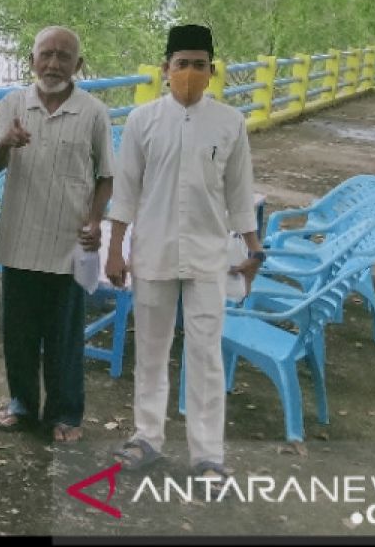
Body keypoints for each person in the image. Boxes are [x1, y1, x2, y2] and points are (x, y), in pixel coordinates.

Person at [106, 24, 265, 486]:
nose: (190, 73)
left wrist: (254, 250)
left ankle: (208, 455)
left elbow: (239, 195)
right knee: (151, 351)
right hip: (152, 250)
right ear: (165, 69)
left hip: (210, 255)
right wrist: (116, 248)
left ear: (212, 71)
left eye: (199, 65)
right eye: (182, 64)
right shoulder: (142, 121)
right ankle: (147, 437)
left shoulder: (230, 123)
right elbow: (126, 192)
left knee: (206, 355)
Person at [0, 27, 114, 443]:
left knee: (64, 334)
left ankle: (65, 413)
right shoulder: (13, 104)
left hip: (68, 240)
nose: (54, 64)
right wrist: (6, 141)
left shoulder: (93, 111)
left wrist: (96, 221)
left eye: (64, 56)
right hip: (21, 235)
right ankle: (22, 405)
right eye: (46, 55)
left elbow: (105, 177)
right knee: (19, 331)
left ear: (78, 64)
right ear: (32, 60)